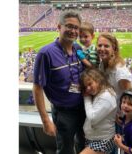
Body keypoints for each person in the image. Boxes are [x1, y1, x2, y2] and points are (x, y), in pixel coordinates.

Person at [33, 11, 85, 154]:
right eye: (69, 26)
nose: (73, 31)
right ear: (59, 26)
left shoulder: (78, 49)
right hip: (64, 114)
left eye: (76, 28)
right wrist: (45, 120)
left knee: (84, 146)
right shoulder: (46, 53)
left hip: (84, 108)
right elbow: (37, 88)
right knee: (65, 150)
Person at [96, 32, 132, 147]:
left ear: (114, 48)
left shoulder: (119, 71)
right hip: (112, 116)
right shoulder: (102, 65)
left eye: (106, 46)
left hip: (121, 119)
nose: (102, 49)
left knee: (114, 148)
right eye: (99, 45)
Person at [79, 68, 117, 154]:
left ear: (98, 80)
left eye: (90, 84)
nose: (88, 89)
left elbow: (93, 118)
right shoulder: (99, 93)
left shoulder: (106, 97)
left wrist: (86, 97)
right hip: (95, 138)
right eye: (85, 87)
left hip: (102, 141)